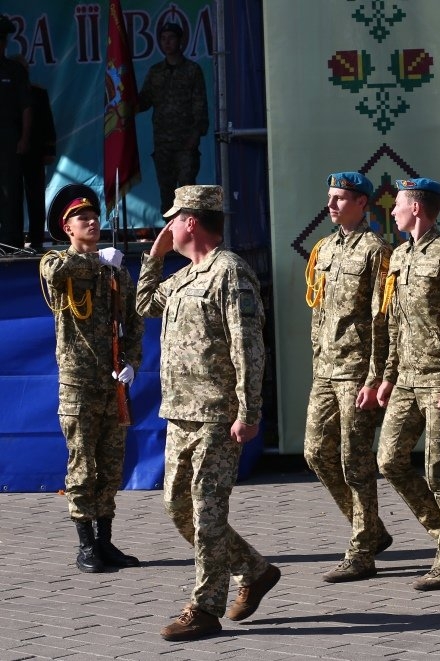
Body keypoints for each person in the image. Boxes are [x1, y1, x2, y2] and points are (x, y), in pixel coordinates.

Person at [136, 185, 280, 641]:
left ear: (191, 221)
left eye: (173, 219)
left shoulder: (229, 272)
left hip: (218, 413)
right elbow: (144, 304)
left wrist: (249, 411)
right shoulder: (184, 277)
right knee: (178, 507)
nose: (167, 227)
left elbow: (248, 346)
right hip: (180, 413)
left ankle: (204, 607)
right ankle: (254, 570)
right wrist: (155, 256)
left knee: (206, 511)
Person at [39, 184, 143, 573]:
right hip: (79, 384)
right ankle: (85, 545)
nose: (92, 221)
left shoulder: (115, 270)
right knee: (82, 465)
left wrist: (132, 362)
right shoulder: (57, 263)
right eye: (82, 218)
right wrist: (98, 260)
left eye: (95, 216)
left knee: (111, 466)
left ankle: (105, 541)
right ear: (67, 228)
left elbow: (133, 322)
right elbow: (57, 272)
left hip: (112, 384)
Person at [376, 178, 440, 591]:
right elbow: (394, 323)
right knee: (389, 460)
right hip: (406, 378)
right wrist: (388, 375)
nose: (393, 211)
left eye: (398, 204)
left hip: (439, 378)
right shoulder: (399, 254)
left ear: (415, 208)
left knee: (439, 470)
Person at [303, 171, 393, 582]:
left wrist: (375, 376)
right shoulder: (324, 249)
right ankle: (371, 527)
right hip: (327, 368)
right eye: (329, 197)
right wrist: (318, 356)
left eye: (339, 198)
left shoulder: (376, 251)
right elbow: (318, 311)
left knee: (355, 460)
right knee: (316, 453)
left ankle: (362, 551)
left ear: (362, 203)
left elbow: (382, 319)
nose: (331, 205)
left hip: (358, 370)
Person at [137, 21, 209, 214]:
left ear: (180, 41)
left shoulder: (192, 70)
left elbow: (200, 106)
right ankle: (170, 232)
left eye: (171, 38)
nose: (167, 42)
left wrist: (195, 136)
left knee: (187, 195)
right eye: (163, 39)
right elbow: (144, 101)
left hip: (186, 144)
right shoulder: (155, 72)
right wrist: (124, 101)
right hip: (163, 145)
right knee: (166, 196)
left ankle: (189, 231)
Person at [15, 55, 55, 253]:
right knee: (11, 197)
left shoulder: (38, 92)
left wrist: (50, 150)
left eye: (25, 68)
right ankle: (12, 237)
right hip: (11, 153)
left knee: (36, 196)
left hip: (35, 151)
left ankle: (37, 236)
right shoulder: (6, 91)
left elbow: (48, 123)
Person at [0, 14, 31, 251]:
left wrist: (24, 138)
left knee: (11, 190)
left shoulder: (14, 70)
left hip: (9, 137)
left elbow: (26, 107)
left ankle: (11, 243)